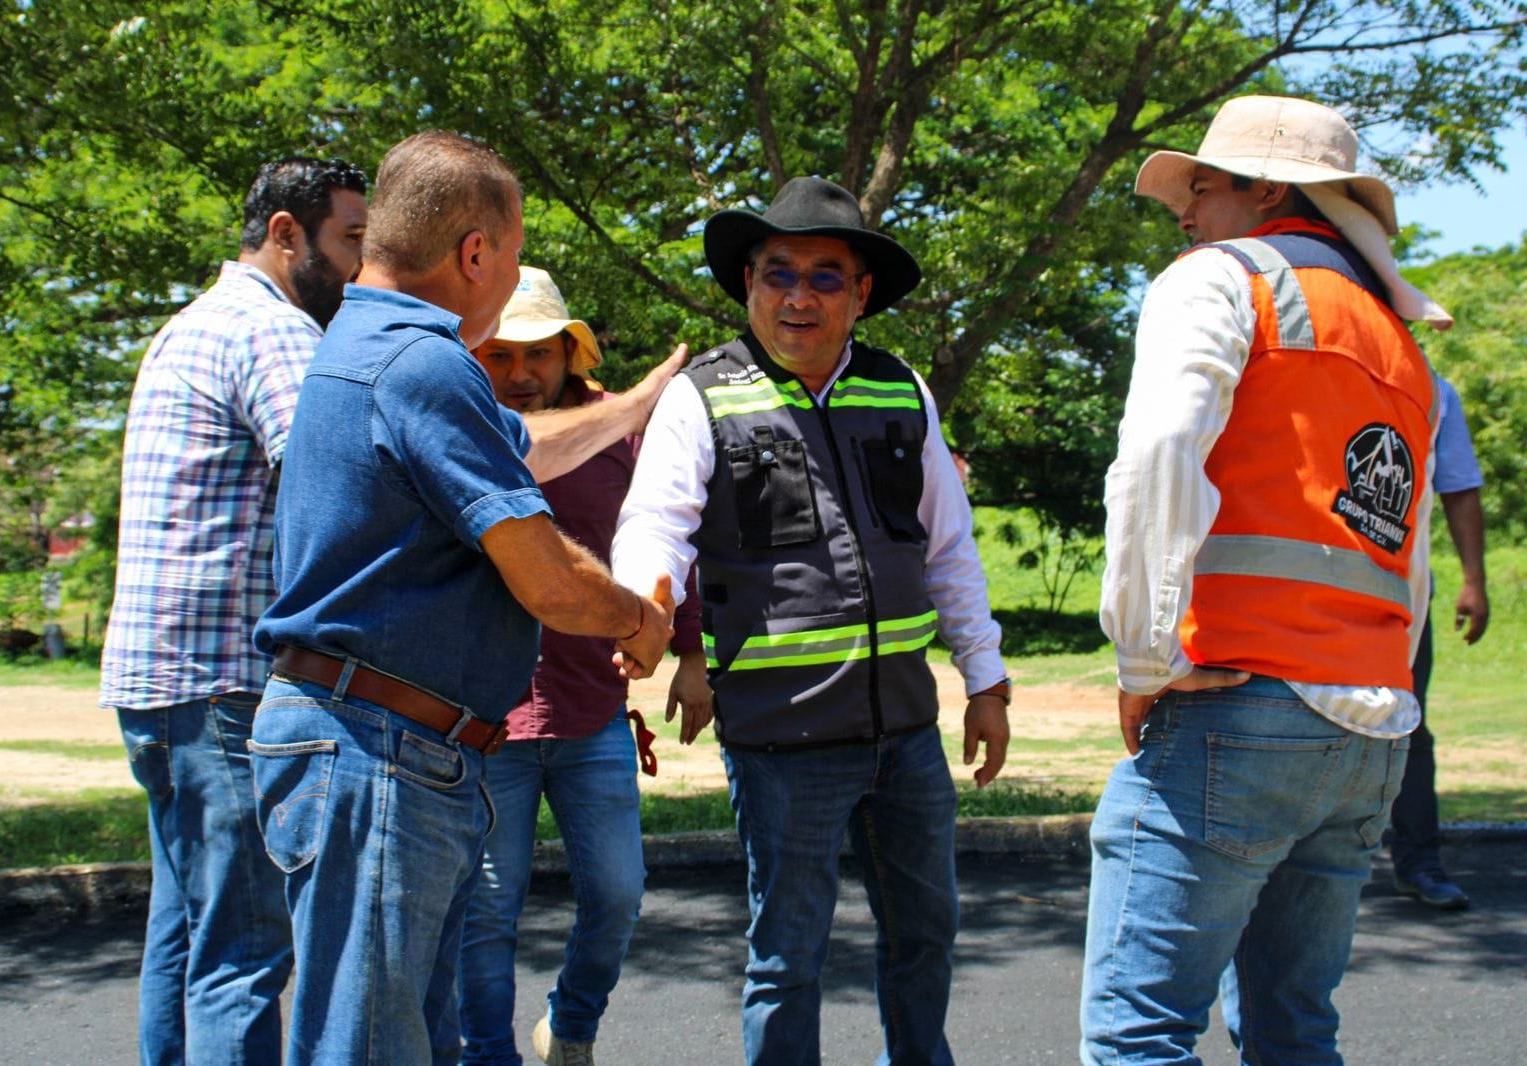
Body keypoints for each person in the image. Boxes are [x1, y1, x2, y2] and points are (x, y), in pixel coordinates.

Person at [249, 131, 681, 1065]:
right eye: (515, 252)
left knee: (409, 1036)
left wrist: (641, 401)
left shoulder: (373, 345)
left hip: (386, 745)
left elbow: (529, 453)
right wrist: (641, 621)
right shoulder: (425, 363)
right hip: (379, 752)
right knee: (367, 1045)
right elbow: (545, 575)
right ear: (477, 252)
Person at [1083, 95, 1457, 1064]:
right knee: (1293, 1032)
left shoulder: (1218, 278)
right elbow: (1406, 550)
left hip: (1234, 708)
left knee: (1140, 1034)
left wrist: (1142, 655)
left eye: (1202, 184)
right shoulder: (1400, 347)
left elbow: (1158, 453)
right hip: (1369, 726)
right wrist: (1388, 688)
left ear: (1268, 189)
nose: (1183, 207)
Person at [610, 176, 1010, 1065]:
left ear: (861, 293)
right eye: (776, 273)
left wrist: (985, 680)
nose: (798, 296)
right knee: (787, 958)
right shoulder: (700, 397)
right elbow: (655, 523)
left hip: (906, 735)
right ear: (747, 284)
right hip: (782, 742)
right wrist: (647, 598)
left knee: (926, 938)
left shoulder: (902, 391)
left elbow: (950, 550)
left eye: (826, 276)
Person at [99, 156, 368, 1065]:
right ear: (287, 233)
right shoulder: (272, 329)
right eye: (351, 240)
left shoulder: (189, 325)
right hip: (224, 686)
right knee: (246, 954)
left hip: (156, 682)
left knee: (186, 939)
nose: (364, 266)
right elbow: (336, 482)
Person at [458, 267, 711, 1066]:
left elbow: (676, 538)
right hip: (483, 719)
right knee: (487, 908)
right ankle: (485, 1054)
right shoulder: (457, 428)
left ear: (572, 351)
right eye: (501, 356)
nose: (523, 375)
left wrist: (694, 655)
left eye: (540, 354)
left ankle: (570, 1027)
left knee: (616, 893)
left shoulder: (622, 430)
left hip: (592, 707)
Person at [1388, 374, 1489, 910]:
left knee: (1407, 721)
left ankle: (1419, 863)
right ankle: (1284, 867)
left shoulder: (1431, 389)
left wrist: (1474, 580)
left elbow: (1458, 484)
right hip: (1310, 584)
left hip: (1402, 593)